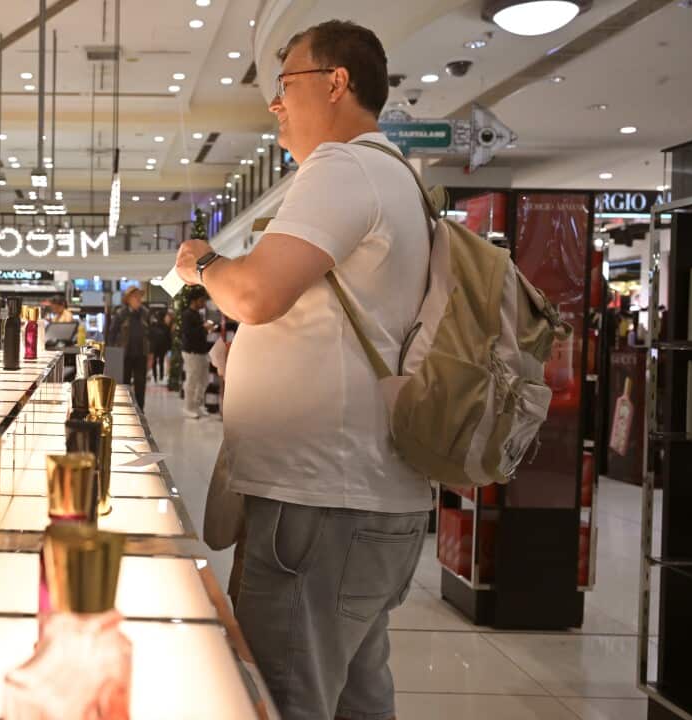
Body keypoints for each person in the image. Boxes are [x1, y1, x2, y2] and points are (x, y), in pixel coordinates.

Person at [174, 20, 431, 720]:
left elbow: (254, 294)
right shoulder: (396, 177)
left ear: (336, 83)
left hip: (321, 505)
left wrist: (201, 263)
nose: (276, 105)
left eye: (286, 84)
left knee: (285, 700)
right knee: (353, 696)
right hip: (358, 499)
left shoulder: (345, 167)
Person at [108, 286, 151, 407]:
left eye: (139, 296)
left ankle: (140, 411)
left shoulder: (145, 313)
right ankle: (125, 409)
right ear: (128, 299)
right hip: (124, 356)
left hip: (141, 355)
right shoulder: (121, 314)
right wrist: (113, 355)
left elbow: (150, 335)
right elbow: (112, 334)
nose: (138, 299)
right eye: (135, 296)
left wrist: (150, 355)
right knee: (123, 385)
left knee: (140, 386)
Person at [181, 289, 213, 418]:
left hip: (201, 351)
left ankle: (197, 405)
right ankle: (189, 407)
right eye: (201, 300)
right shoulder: (187, 315)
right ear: (194, 301)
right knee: (192, 379)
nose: (203, 302)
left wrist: (205, 329)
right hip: (192, 352)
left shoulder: (197, 314)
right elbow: (189, 334)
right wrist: (204, 328)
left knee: (203, 380)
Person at [148, 309, 172, 384]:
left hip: (154, 346)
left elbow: (150, 336)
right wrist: (169, 347)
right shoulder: (166, 326)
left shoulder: (153, 325)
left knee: (154, 361)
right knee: (161, 361)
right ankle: (161, 377)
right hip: (163, 346)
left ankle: (155, 377)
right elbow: (168, 338)